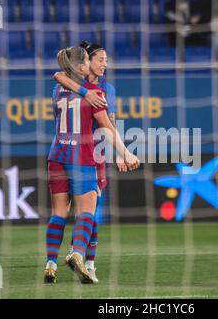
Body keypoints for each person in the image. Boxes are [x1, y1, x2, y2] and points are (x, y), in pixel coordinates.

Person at [44, 46, 140, 284]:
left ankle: (50, 264)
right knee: (87, 211)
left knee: (59, 213)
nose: (100, 64)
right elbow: (107, 126)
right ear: (81, 66)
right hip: (82, 155)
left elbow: (59, 76)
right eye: (91, 60)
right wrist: (125, 152)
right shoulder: (96, 92)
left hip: (56, 155)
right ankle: (77, 253)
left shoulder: (58, 88)